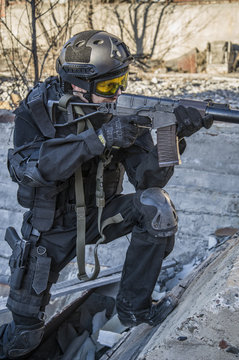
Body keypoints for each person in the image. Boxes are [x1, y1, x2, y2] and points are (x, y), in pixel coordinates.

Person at [0, 30, 213, 359]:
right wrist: (97, 140)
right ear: (78, 84)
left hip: (103, 214)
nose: (119, 94)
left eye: (122, 81)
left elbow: (148, 180)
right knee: (23, 338)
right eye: (110, 87)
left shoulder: (119, 113)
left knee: (156, 207)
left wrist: (173, 135)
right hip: (51, 230)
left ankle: (133, 309)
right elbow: (28, 168)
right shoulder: (39, 110)